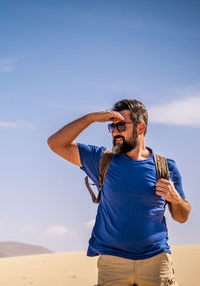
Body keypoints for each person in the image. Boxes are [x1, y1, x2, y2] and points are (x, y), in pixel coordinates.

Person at [47, 99, 191, 286]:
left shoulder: (165, 167)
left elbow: (181, 217)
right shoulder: (101, 159)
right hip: (113, 264)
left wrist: (176, 199)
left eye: (121, 126)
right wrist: (90, 118)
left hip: (157, 262)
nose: (115, 132)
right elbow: (56, 143)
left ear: (140, 128)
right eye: (112, 127)